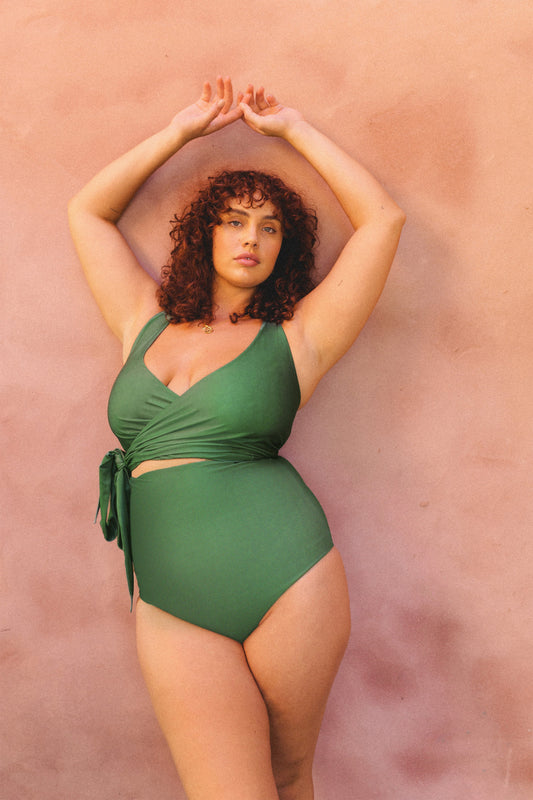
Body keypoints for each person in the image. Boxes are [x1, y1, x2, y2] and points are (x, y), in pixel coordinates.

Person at [68, 76, 405, 800]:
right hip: (171, 587)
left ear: (287, 246)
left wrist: (293, 130)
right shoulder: (143, 320)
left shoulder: (300, 339)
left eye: (269, 226)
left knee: (288, 777)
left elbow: (382, 220)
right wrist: (180, 133)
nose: (250, 238)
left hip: (286, 570)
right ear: (205, 232)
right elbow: (87, 212)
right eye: (232, 220)